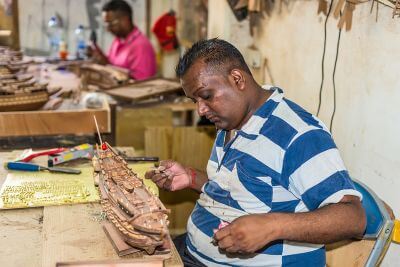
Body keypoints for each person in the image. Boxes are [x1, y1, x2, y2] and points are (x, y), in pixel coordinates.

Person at [145, 38, 366, 267]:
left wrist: (272, 226)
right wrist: (191, 177)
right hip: (194, 253)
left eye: (207, 96)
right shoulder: (232, 120)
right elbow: (242, 192)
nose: (200, 109)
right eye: (195, 100)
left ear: (237, 79)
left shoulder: (298, 135)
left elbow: (354, 218)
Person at [89, 0, 157, 80]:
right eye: (106, 24)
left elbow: (141, 85)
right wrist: (100, 56)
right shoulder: (118, 40)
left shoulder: (141, 46)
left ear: (125, 20)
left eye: (111, 24)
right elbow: (113, 64)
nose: (108, 29)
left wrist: (107, 66)